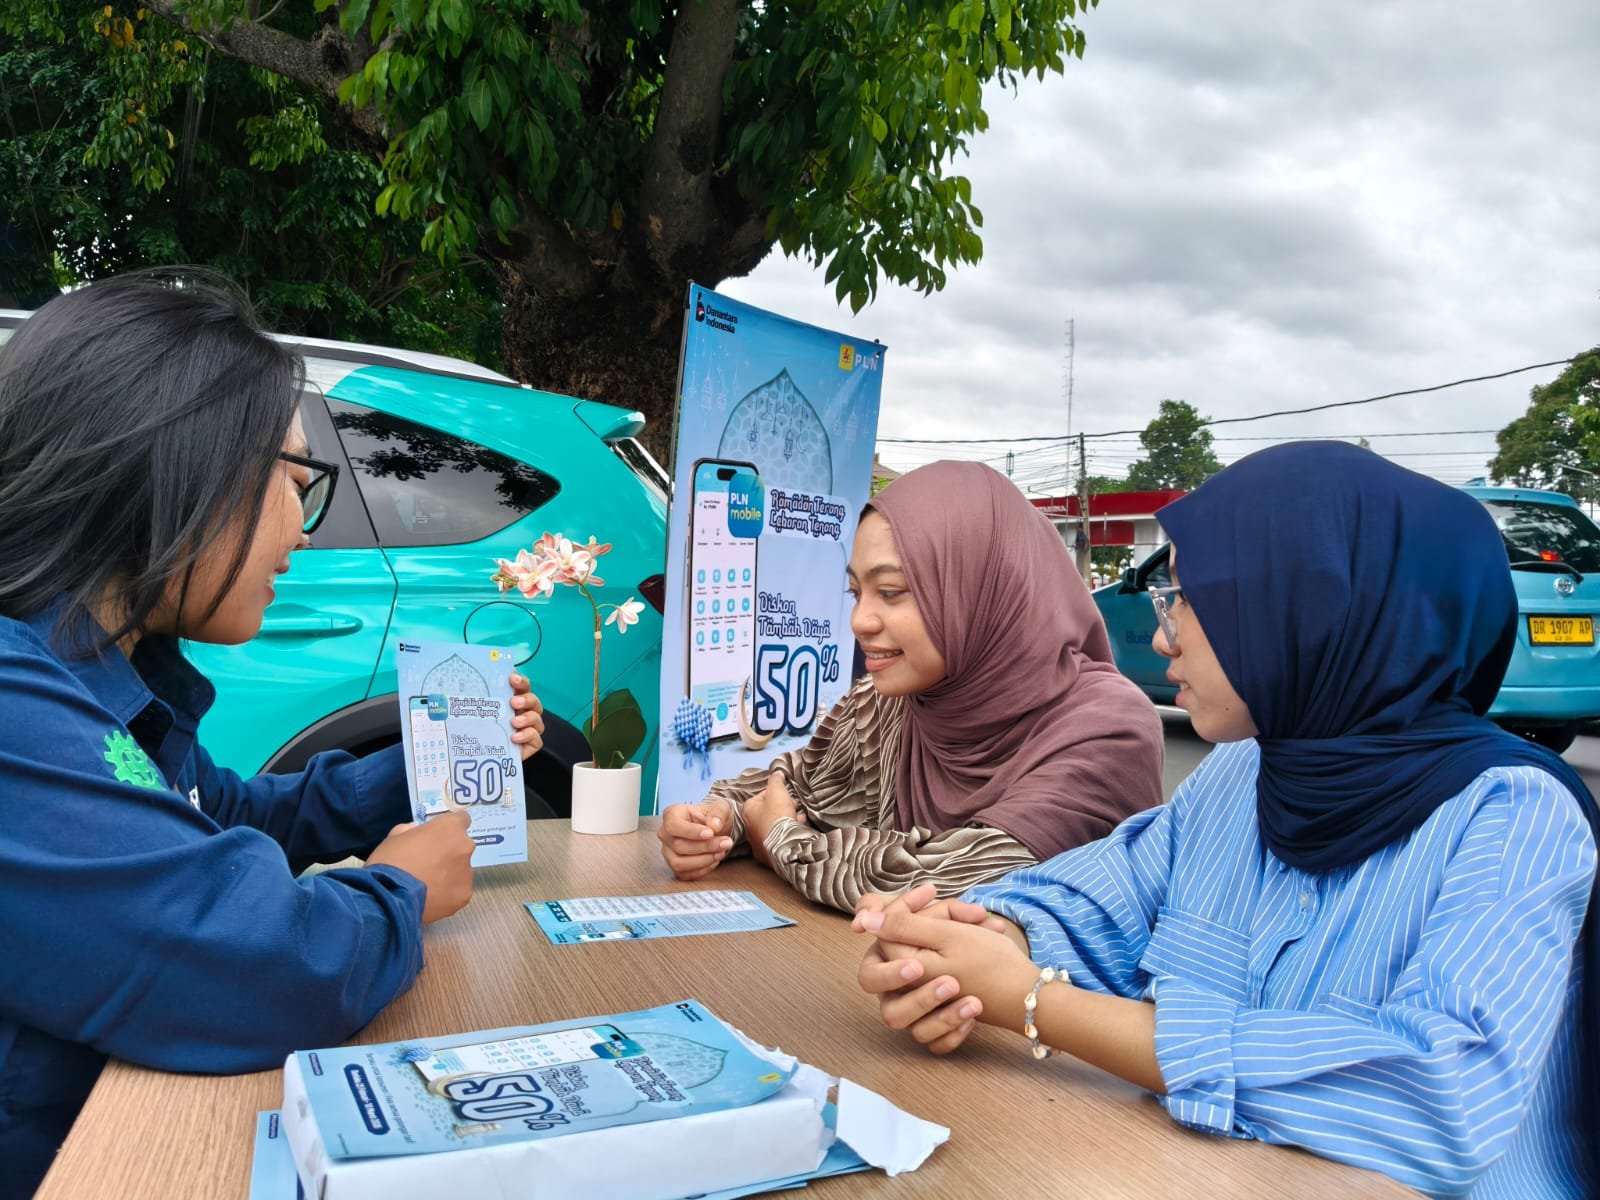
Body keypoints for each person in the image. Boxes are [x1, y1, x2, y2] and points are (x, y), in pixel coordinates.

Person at [854, 442, 1598, 1198]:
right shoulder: (1248, 771)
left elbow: (1438, 1098)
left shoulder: (1513, 815)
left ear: (1307, 611)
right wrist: (964, 948)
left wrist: (1040, 1004)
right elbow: (1099, 895)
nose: (1161, 637)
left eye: (1189, 598)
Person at [0, 272, 548, 1197]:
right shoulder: (16, 704)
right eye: (299, 482)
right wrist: (402, 890)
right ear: (181, 462)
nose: (304, 531)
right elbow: (255, 961)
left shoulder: (101, 675)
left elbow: (222, 812)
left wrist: (426, 765)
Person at [657, 460, 1164, 913]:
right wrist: (716, 823)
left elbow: (951, 880)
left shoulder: (1108, 732)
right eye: (855, 592)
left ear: (982, 591)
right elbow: (790, 783)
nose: (859, 620)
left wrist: (784, 842)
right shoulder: (890, 704)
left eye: (892, 591)